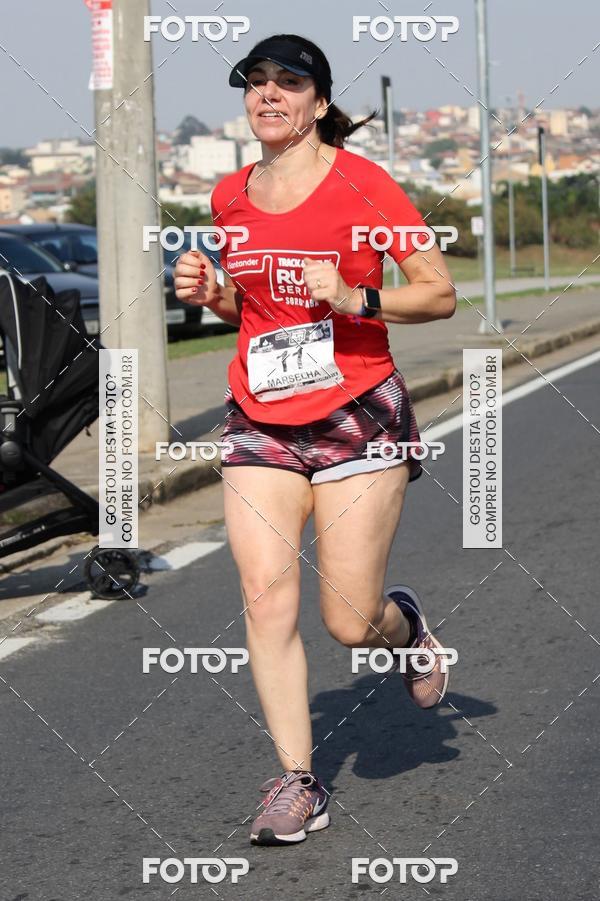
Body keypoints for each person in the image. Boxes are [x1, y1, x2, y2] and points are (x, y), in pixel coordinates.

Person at [174, 33, 457, 847]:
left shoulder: (365, 184)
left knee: (348, 619)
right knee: (265, 597)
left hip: (356, 410)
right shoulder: (231, 196)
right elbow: (254, 313)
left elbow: (438, 295)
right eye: (255, 82)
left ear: (319, 102)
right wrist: (211, 293)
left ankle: (405, 629)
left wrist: (357, 293)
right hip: (260, 415)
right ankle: (298, 780)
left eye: (287, 82)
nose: (268, 94)